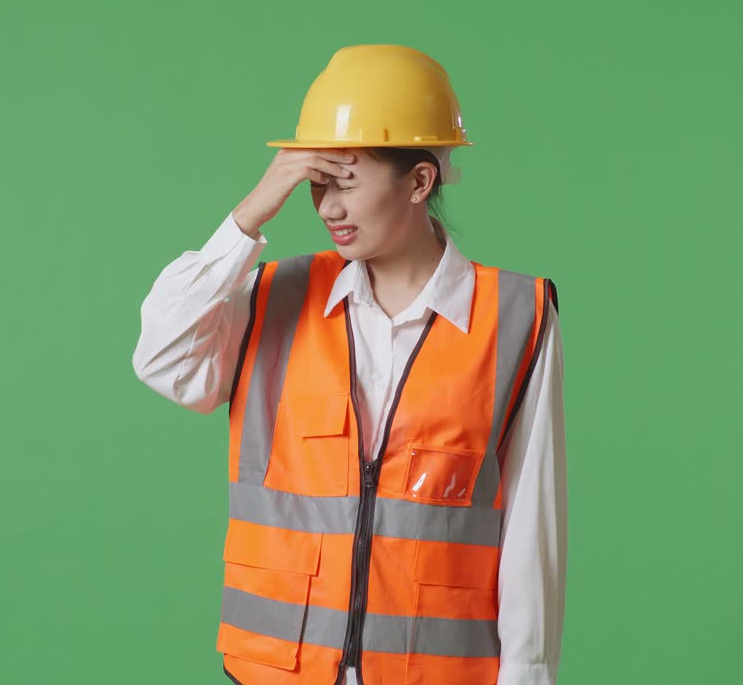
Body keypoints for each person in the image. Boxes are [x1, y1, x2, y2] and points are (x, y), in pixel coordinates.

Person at [132, 44, 567, 685]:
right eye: (315, 184)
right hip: (280, 670)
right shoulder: (274, 294)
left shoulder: (516, 315)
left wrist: (527, 675)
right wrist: (249, 215)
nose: (326, 208)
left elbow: (533, 519)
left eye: (347, 182)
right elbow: (165, 361)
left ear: (420, 182)